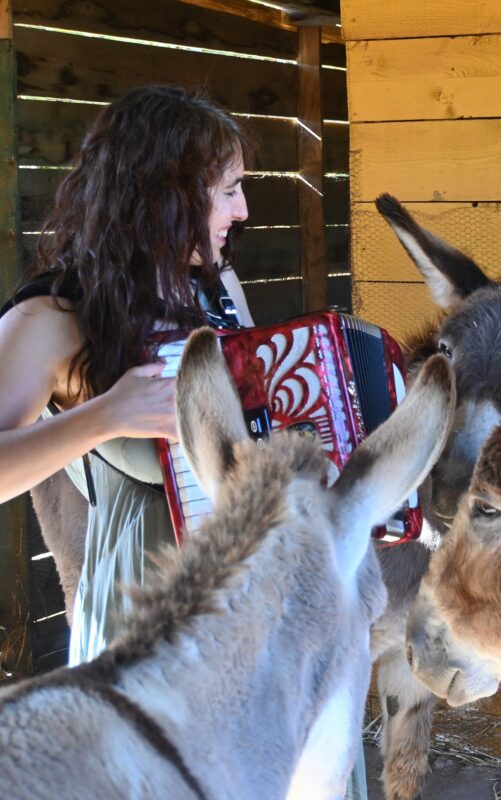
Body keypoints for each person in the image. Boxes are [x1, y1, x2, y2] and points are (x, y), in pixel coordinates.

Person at [0, 85, 255, 662]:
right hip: (142, 615)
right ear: (162, 193)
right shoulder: (51, 315)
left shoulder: (219, 285)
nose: (242, 211)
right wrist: (105, 416)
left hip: (247, 589)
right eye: (230, 190)